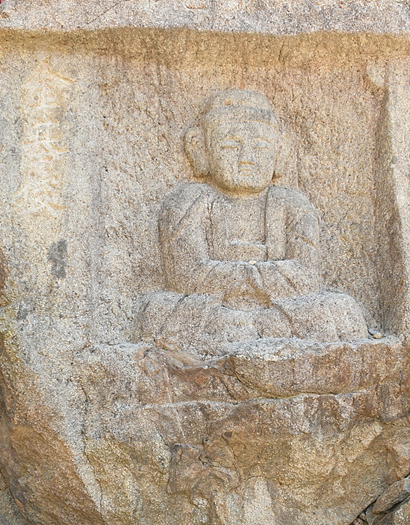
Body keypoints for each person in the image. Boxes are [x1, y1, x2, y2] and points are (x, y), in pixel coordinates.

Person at [139, 89, 367, 354]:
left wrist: (240, 279)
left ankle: (245, 333)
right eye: (230, 146)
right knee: (158, 309)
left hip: (281, 309)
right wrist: (260, 278)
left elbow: (306, 276)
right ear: (201, 149)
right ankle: (255, 334)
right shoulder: (188, 201)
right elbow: (186, 275)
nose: (246, 158)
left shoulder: (292, 204)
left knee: (341, 309)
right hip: (213, 311)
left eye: (260, 147)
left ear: (278, 152)